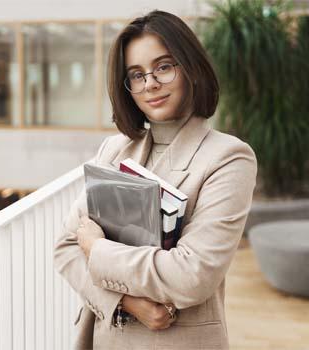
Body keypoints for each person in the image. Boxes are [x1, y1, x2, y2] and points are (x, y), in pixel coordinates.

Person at [54, 9, 257, 350]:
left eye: (163, 66)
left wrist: (97, 249)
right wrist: (125, 303)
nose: (150, 83)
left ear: (190, 67)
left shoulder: (228, 157)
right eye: (136, 74)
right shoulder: (115, 149)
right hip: (105, 339)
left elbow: (191, 275)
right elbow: (65, 247)